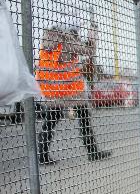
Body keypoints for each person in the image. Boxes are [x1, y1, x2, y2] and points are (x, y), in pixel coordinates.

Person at [35, 17, 110, 165]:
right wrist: (92, 33)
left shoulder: (47, 43)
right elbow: (89, 50)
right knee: (84, 119)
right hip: (71, 90)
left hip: (53, 90)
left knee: (50, 121)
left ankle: (42, 156)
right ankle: (93, 152)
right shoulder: (67, 40)